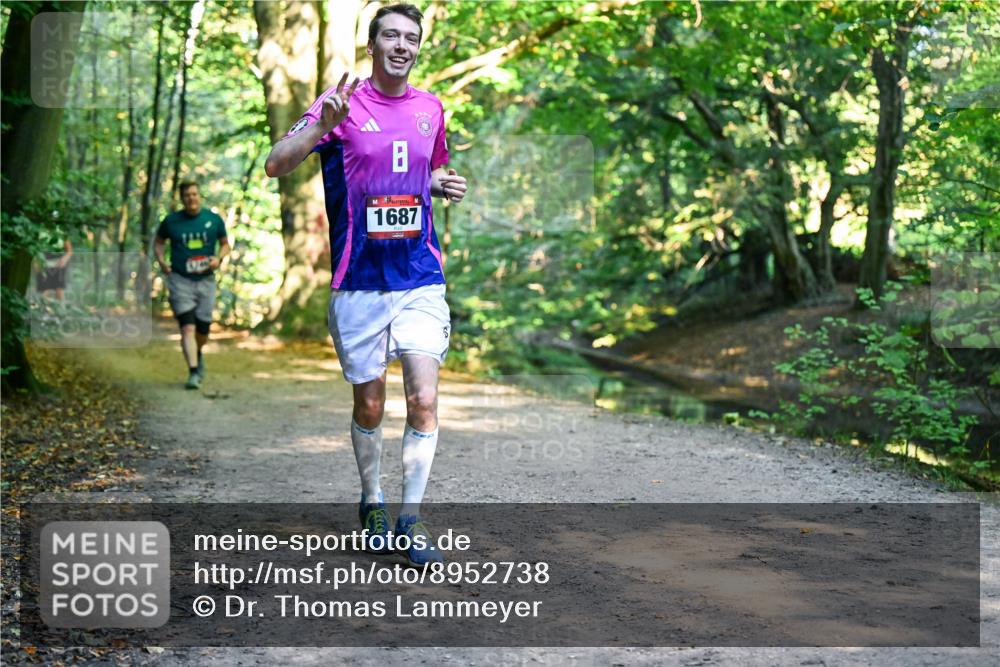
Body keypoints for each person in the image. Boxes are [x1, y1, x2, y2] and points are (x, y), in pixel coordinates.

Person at [264, 3, 467, 566]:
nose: (402, 46)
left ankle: (411, 518)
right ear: (372, 45)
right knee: (371, 403)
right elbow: (275, 164)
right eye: (391, 36)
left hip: (419, 276)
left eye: (411, 38)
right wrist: (321, 127)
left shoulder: (431, 108)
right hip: (358, 281)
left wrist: (441, 183)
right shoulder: (341, 102)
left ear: (418, 47)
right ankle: (372, 499)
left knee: (423, 398)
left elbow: (426, 170)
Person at [154, 181, 230, 390]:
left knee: (202, 330)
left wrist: (218, 259)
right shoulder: (171, 221)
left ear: (199, 196)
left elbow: (225, 244)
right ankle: (194, 372)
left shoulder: (213, 220)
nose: (191, 198)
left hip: (206, 281)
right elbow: (158, 242)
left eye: (194, 194)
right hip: (180, 280)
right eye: (187, 195)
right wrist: (161, 261)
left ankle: (197, 352)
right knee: (187, 327)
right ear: (182, 198)